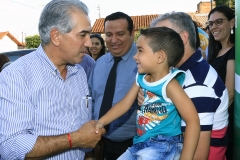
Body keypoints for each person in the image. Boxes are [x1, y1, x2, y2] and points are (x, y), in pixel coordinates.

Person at [0, 0, 105, 159]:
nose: (89, 43)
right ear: (56, 36)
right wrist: (74, 139)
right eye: (82, 35)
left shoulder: (79, 72)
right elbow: (11, 146)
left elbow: (84, 132)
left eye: (89, 35)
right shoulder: (16, 75)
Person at [95, 27, 200, 160]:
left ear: (160, 56)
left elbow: (192, 120)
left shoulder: (170, 85)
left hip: (164, 144)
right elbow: (124, 104)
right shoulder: (141, 77)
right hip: (140, 142)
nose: (135, 56)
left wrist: (186, 157)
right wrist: (101, 122)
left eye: (140, 51)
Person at [138, 12, 229, 160]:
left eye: (161, 37)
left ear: (183, 38)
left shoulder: (197, 83)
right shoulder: (178, 72)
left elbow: (198, 155)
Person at [88, 11, 138, 160]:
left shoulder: (144, 62)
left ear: (132, 33)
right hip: (100, 144)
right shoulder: (99, 63)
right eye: (109, 34)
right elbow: (92, 98)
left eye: (120, 34)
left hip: (133, 145)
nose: (113, 40)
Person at [207, 6, 235, 160]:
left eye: (218, 22)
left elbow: (229, 93)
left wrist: (209, 118)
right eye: (210, 24)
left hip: (222, 120)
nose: (213, 27)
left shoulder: (234, 51)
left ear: (232, 22)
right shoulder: (214, 52)